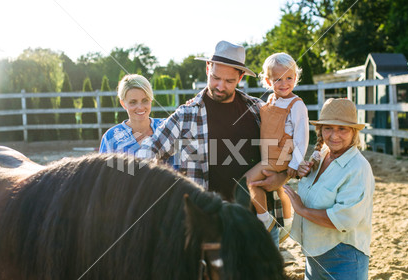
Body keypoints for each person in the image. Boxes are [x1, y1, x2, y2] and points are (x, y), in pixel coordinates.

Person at [136, 41, 287, 245]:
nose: (220, 86)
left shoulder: (258, 110)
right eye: (215, 77)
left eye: (229, 81)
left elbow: (284, 152)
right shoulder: (186, 115)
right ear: (208, 68)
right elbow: (149, 151)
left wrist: (281, 178)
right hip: (211, 226)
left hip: (259, 224)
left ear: (241, 78)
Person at [283, 98, 375, 280]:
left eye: (342, 129)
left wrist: (301, 209)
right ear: (321, 130)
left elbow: (344, 218)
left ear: (353, 132)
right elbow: (315, 193)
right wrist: (302, 173)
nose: (334, 136)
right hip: (313, 254)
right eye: (328, 128)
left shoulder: (358, 168)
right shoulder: (321, 155)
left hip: (344, 258)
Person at [245, 53, 309, 243]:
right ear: (268, 80)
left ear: (295, 78)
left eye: (289, 78)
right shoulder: (271, 100)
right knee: (276, 187)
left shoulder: (296, 105)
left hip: (280, 157)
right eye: (278, 79)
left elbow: (302, 136)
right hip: (268, 154)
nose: (284, 83)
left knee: (247, 181)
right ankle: (287, 222)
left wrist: (296, 163)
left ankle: (264, 219)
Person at [99, 74, 165, 155]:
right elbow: (103, 167)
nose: (140, 107)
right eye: (133, 102)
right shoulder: (111, 138)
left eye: (145, 100)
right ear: (123, 104)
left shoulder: (166, 127)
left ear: (151, 99)